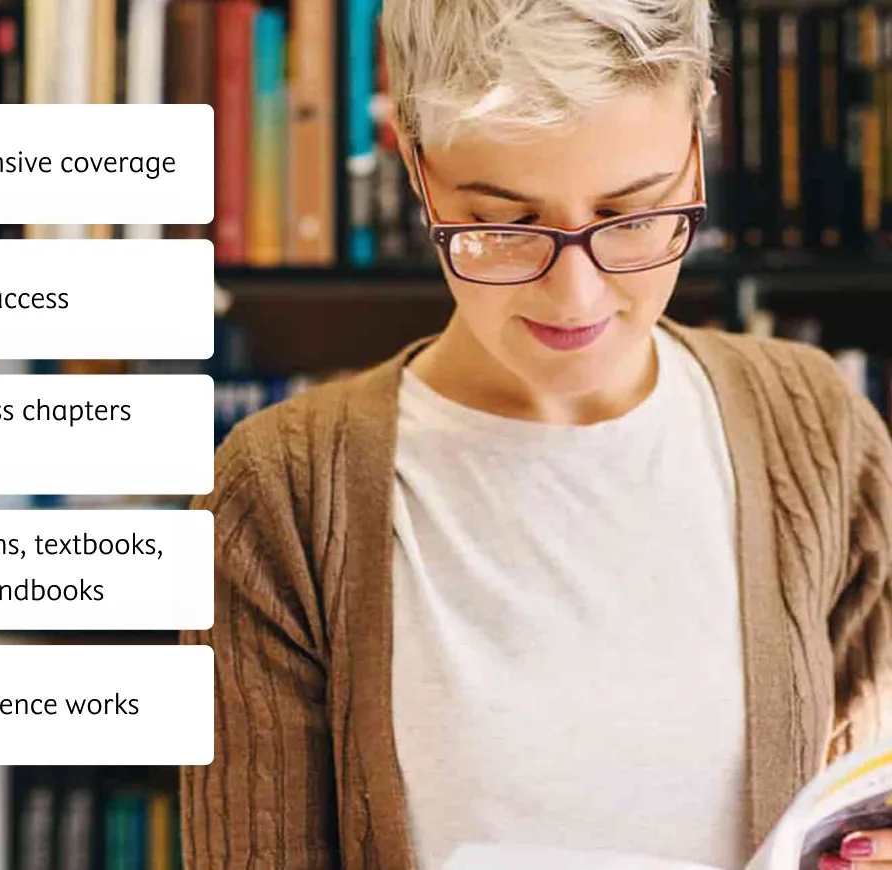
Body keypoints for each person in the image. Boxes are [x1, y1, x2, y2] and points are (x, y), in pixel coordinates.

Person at [180, 0, 892, 868]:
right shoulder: (279, 496)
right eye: (507, 225)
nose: (578, 299)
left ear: (698, 132)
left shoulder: (817, 431)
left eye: (632, 215)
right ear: (419, 167)